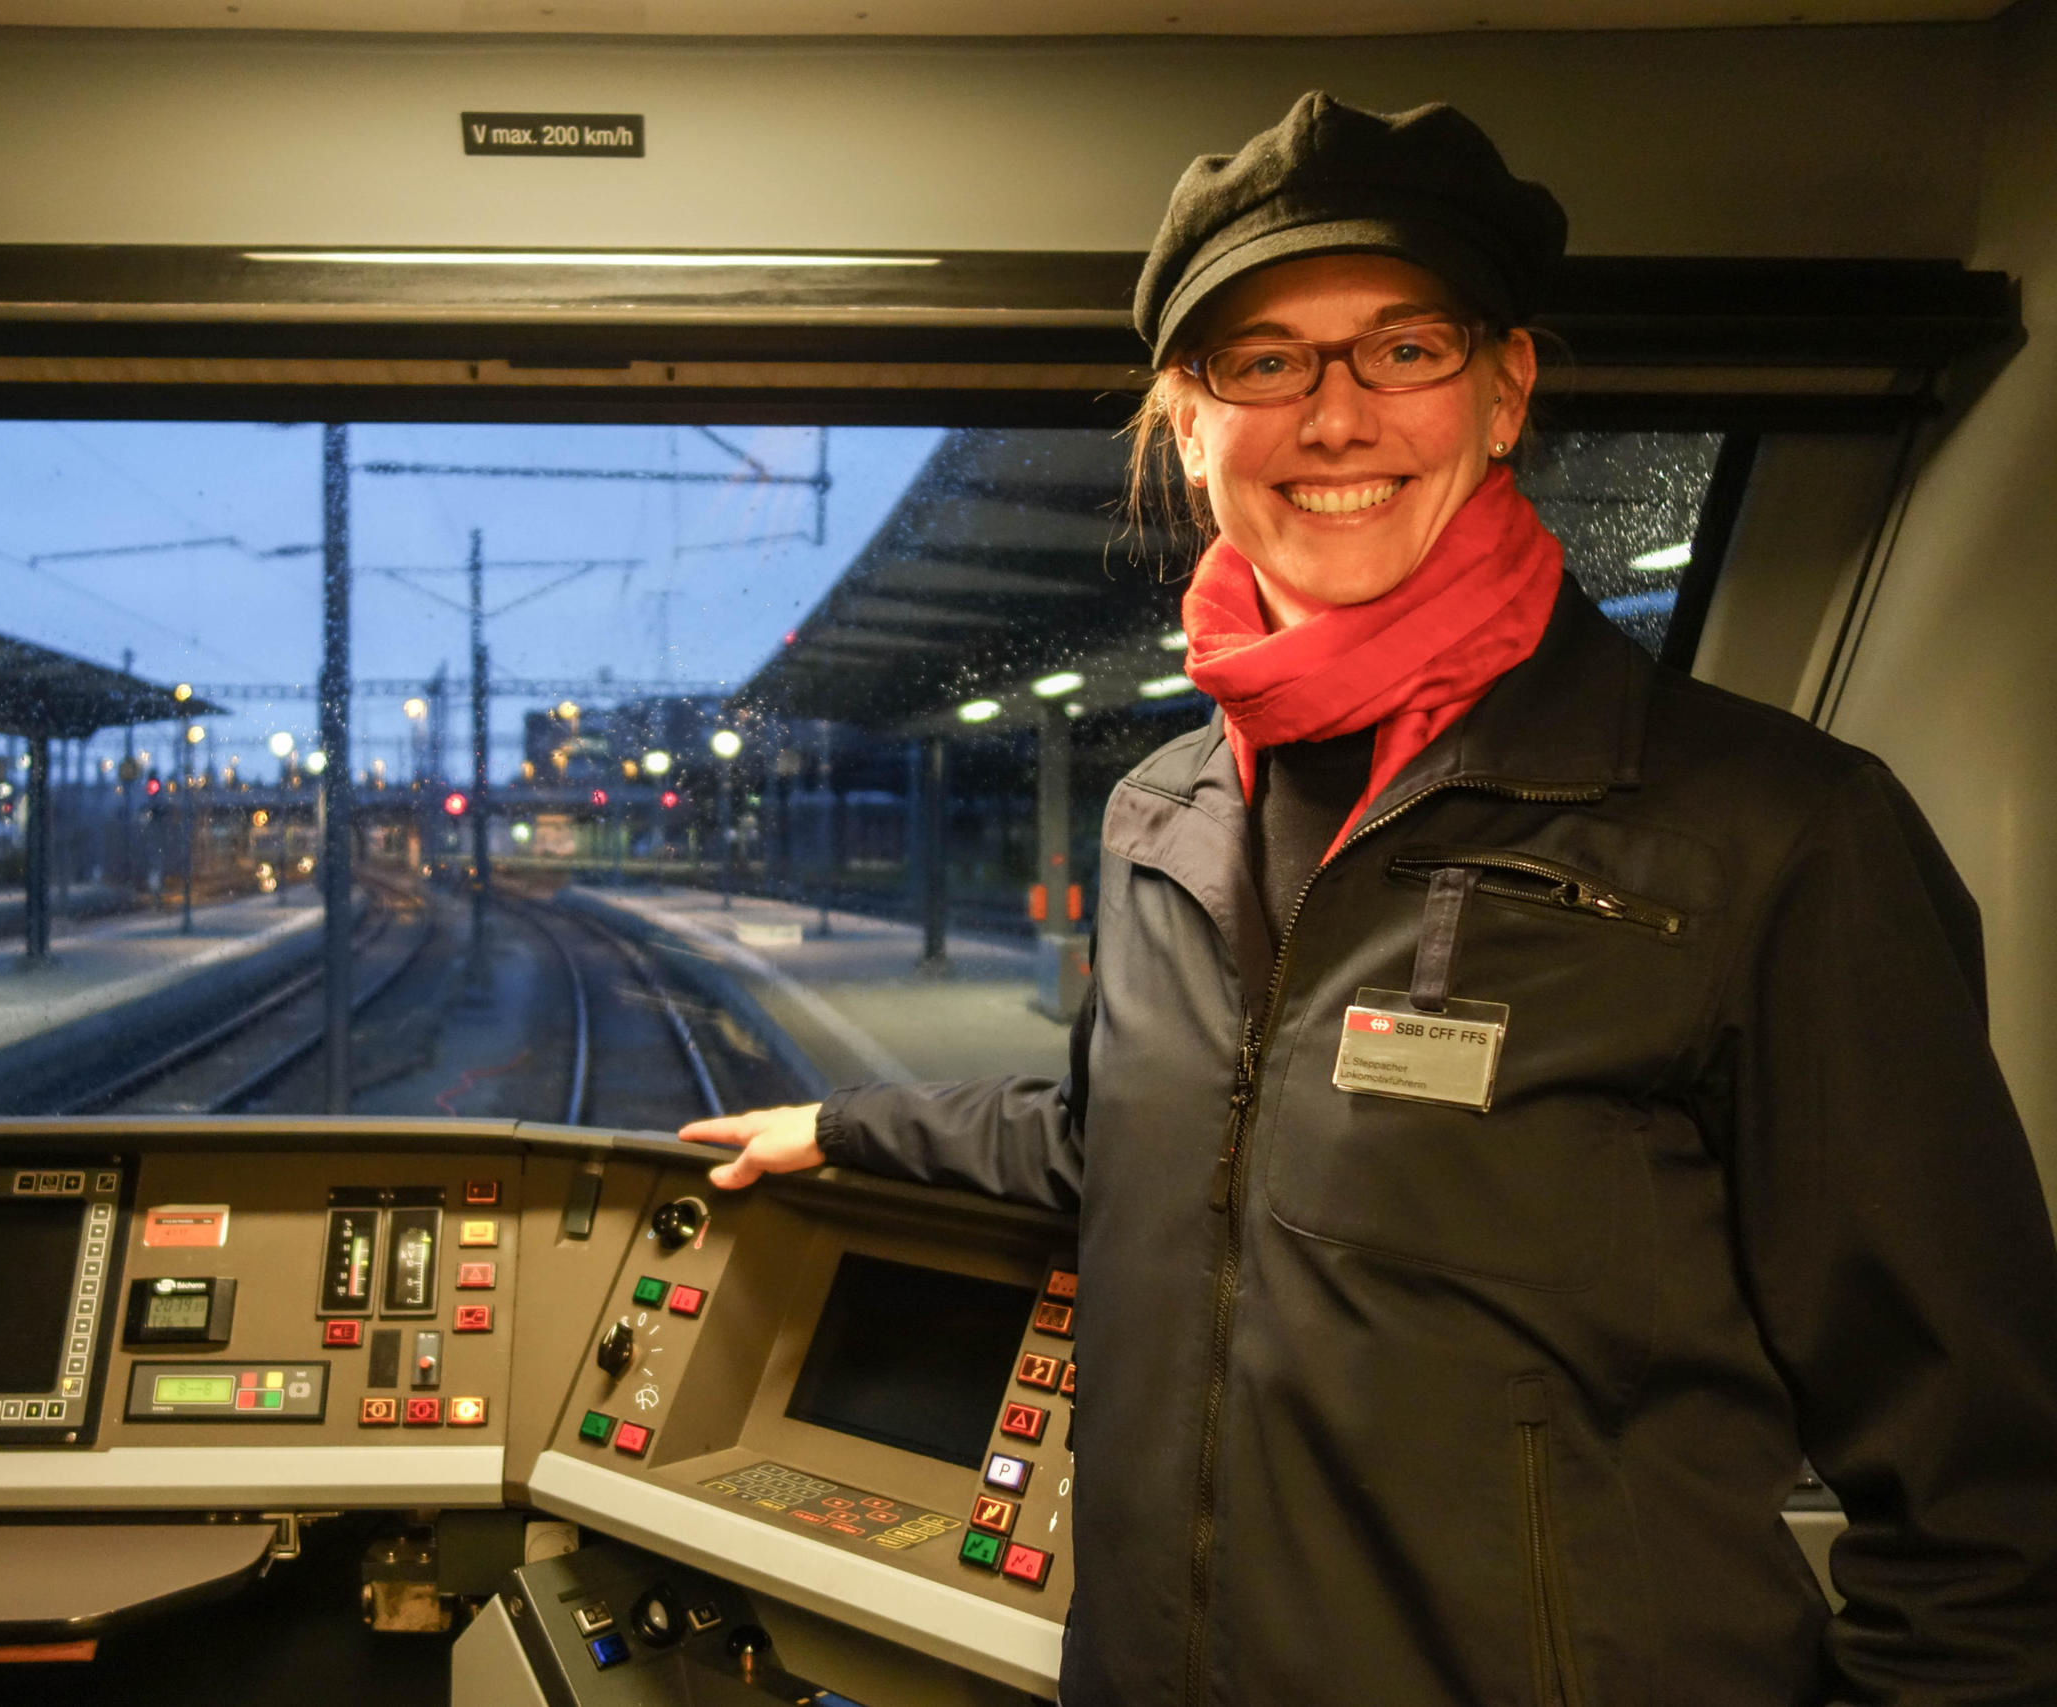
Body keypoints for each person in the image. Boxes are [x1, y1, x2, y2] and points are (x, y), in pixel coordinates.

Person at [682, 92, 2057, 1707]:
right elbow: (1122, 1127)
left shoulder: (1772, 838)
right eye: (1263, 362)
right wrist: (842, 1132)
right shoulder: (1165, 815)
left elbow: (1988, 1510)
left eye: (1403, 348)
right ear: (1188, 427)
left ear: (1501, 391)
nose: (1335, 418)